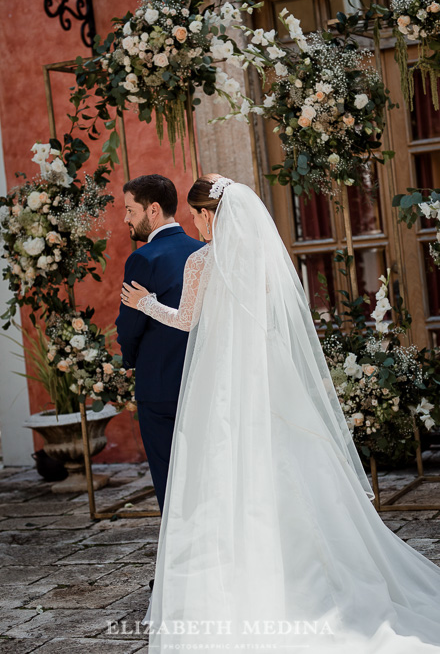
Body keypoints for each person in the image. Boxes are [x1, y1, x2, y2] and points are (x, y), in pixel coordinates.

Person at [121, 174, 440, 653]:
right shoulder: (260, 258)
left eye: (197, 217)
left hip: (220, 381)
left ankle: (237, 576)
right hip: (264, 376)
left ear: (209, 215)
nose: (195, 226)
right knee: (285, 462)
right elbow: (273, 319)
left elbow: (186, 320)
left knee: (222, 469)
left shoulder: (202, 261)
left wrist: (145, 303)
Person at [115, 174, 204, 523]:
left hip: (160, 385)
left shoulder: (143, 259)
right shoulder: (202, 251)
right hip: (203, 379)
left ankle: (178, 571)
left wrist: (130, 359)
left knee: (171, 481)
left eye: (129, 209)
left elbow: (129, 326)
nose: (125, 219)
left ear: (153, 210)